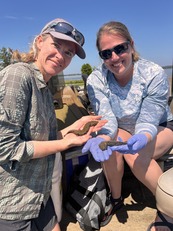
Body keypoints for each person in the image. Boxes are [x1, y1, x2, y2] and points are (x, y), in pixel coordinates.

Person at [0, 18, 107, 231]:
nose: (61, 55)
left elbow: (45, 140)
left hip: (39, 195)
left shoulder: (44, 88)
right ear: (39, 41)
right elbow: (5, 148)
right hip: (13, 204)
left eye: (68, 52)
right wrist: (66, 144)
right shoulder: (18, 75)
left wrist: (76, 125)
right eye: (57, 45)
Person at [82, 20, 173, 230]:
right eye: (106, 53)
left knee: (135, 154)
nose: (114, 57)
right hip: (122, 127)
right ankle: (116, 199)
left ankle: (168, 208)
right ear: (102, 57)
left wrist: (142, 136)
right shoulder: (96, 79)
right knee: (110, 147)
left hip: (159, 126)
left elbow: (150, 117)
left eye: (120, 48)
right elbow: (106, 117)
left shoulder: (153, 73)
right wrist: (104, 137)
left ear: (131, 45)